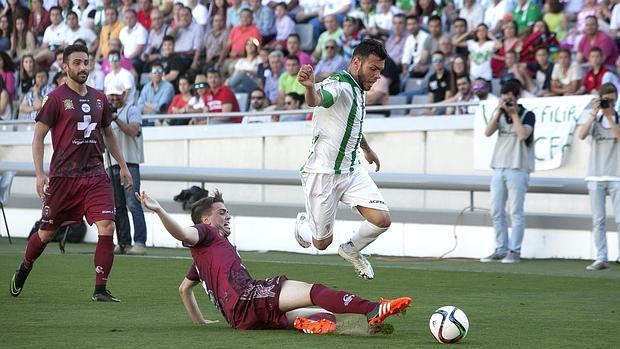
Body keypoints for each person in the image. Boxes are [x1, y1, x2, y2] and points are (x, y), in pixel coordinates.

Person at [135, 189, 412, 332]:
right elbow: (182, 232)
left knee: (323, 315)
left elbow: (184, 289)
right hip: (248, 298)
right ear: (206, 220)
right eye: (222, 212)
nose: (227, 216)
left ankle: (304, 325)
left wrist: (200, 322)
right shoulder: (205, 233)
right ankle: (373, 309)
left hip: (239, 318)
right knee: (315, 291)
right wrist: (159, 210)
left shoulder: (203, 258)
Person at [9, 44, 133, 302]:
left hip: (96, 175)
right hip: (64, 178)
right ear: (64, 66)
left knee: (107, 226)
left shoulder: (99, 98)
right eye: (76, 63)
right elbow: (38, 138)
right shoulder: (55, 98)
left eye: (85, 62)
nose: (82, 67)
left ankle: (100, 289)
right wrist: (40, 174)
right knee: (46, 233)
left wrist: (121, 165)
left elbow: (109, 133)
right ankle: (25, 266)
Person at [295, 39, 391, 279]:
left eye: (380, 70)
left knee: (381, 220)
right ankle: (304, 226)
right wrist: (309, 86)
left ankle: (351, 249)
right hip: (323, 174)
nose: (377, 75)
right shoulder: (339, 84)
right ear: (356, 63)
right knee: (320, 244)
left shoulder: (358, 89)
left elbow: (351, 123)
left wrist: (367, 149)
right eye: (373, 69)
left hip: (351, 170)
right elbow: (316, 99)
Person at [480, 79, 535, 264]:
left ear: (517, 97)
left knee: (516, 211)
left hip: (518, 167)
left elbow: (522, 135)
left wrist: (514, 113)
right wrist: (498, 112)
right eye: (504, 99)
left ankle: (514, 250)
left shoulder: (528, 114)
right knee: (496, 210)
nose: (507, 103)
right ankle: (500, 248)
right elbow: (487, 133)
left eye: (510, 99)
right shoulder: (501, 114)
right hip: (499, 166)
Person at [577, 83, 620, 270]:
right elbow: (581, 135)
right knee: (598, 220)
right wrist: (594, 113)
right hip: (595, 174)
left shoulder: (617, 118)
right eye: (606, 100)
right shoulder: (595, 118)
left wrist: (610, 116)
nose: (609, 103)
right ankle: (601, 257)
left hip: (616, 174)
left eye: (612, 100)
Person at [105, 83, 147, 255]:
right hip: (111, 165)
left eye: (117, 95)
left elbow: (132, 130)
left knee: (133, 203)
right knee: (117, 205)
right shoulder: (107, 115)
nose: (114, 98)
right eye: (111, 95)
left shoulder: (132, 110)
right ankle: (123, 242)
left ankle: (140, 242)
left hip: (129, 163)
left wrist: (115, 119)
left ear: (124, 94)